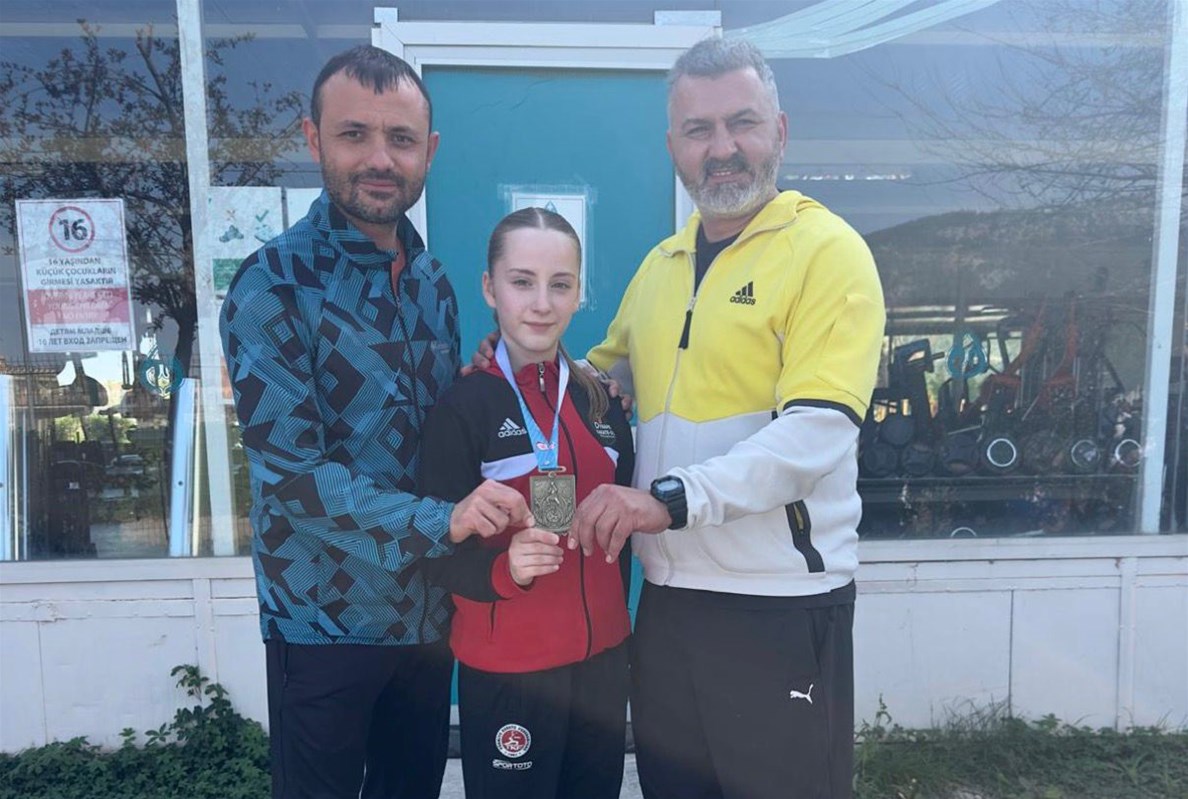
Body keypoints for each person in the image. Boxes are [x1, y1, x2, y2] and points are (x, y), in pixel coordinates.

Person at [571, 38, 886, 799]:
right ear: (672, 147)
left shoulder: (828, 253)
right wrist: (515, 361)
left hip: (778, 608)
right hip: (669, 603)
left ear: (780, 130)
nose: (722, 149)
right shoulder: (660, 267)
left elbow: (814, 434)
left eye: (741, 123)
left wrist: (669, 499)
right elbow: (595, 385)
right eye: (699, 130)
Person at [219, 45, 534, 799]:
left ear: (429, 151)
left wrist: (498, 376)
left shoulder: (433, 284)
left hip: (428, 619)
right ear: (313, 139)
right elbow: (295, 478)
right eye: (354, 134)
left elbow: (441, 434)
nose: (380, 159)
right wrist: (442, 520)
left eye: (400, 138)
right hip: (324, 622)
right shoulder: (271, 286)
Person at [419, 207, 636, 799]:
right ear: (490, 289)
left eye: (559, 284)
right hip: (510, 671)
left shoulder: (601, 402)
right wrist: (504, 569)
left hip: (601, 663)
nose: (541, 304)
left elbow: (623, 533)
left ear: (578, 293)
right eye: (522, 282)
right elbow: (431, 552)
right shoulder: (464, 407)